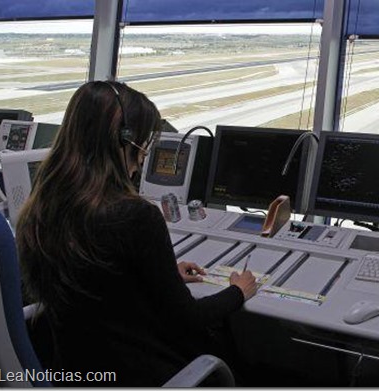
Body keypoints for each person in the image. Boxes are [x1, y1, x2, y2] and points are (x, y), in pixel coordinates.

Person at [16, 81, 257, 386]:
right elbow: (189, 319)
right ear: (122, 141)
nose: (143, 157)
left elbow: (100, 285)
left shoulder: (40, 209)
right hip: (140, 376)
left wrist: (161, 274)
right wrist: (239, 290)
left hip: (74, 373)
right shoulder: (135, 216)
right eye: (142, 144)